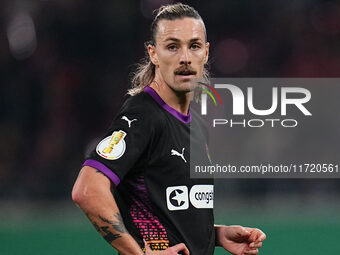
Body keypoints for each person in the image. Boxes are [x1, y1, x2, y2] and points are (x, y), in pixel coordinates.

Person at [72, 3, 266, 255]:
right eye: (172, 46)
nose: (185, 57)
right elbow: (87, 191)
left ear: (206, 53)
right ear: (153, 54)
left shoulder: (196, 124)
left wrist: (217, 234)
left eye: (194, 46)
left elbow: (174, 212)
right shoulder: (143, 114)